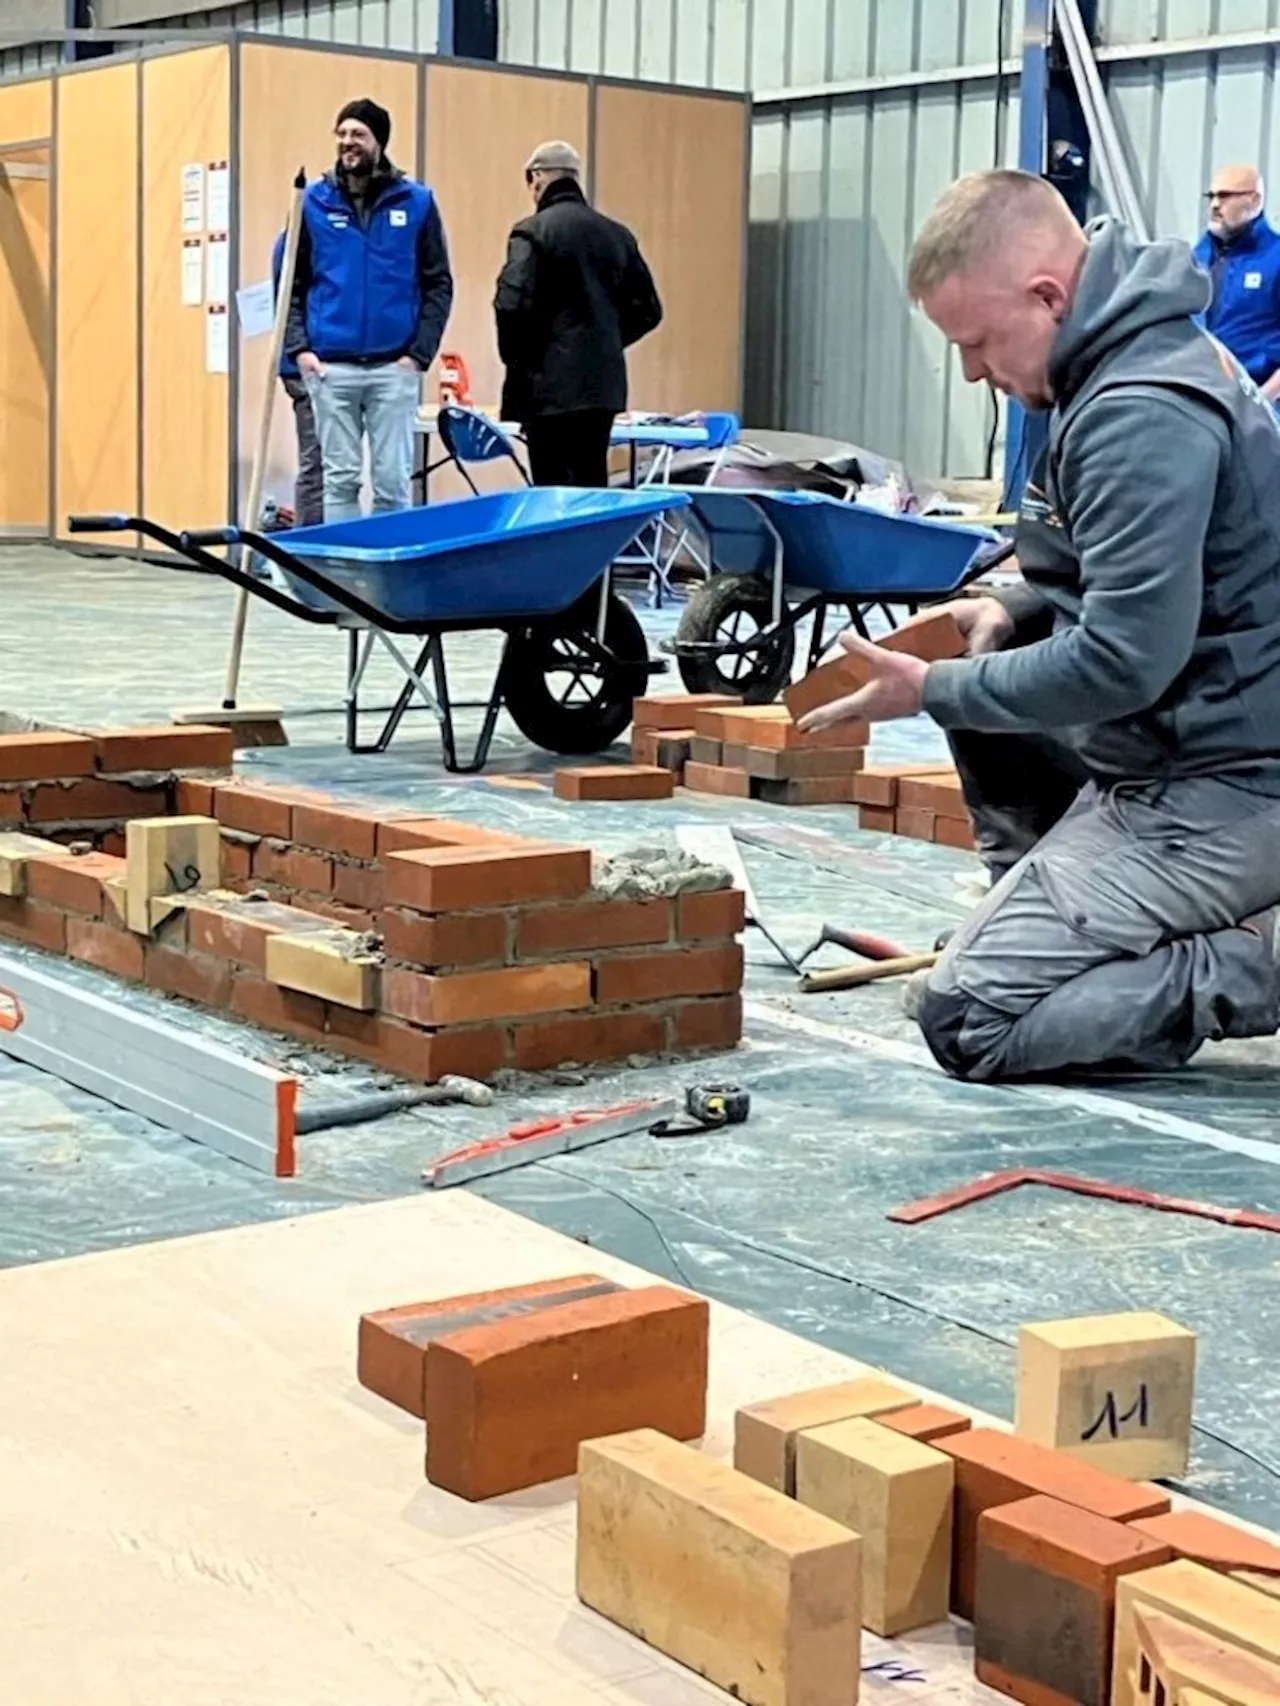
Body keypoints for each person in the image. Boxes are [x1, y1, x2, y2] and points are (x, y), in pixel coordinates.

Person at [799, 168, 1280, 1085]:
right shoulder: (1114, 356)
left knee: (968, 1018)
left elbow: (1126, 658)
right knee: (1000, 646)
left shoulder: (1139, 410)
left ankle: (1254, 963)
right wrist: (1013, 602)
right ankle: (1044, 918)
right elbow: (1144, 570)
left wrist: (928, 690)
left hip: (1225, 783)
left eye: (978, 343)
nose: (975, 371)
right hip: (1183, 747)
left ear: (1050, 294)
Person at [285, 98, 453, 522]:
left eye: (358, 134)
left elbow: (438, 283)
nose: (347, 142)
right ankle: (345, 578)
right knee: (338, 480)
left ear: (379, 141)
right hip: (331, 367)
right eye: (341, 134)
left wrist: (417, 355)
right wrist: (300, 351)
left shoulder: (417, 203)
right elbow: (289, 284)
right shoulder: (312, 202)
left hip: (392, 368)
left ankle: (386, 583)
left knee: (393, 482)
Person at [494, 140, 662, 487]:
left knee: (550, 491)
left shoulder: (532, 231)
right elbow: (649, 310)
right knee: (591, 487)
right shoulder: (617, 235)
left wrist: (523, 361)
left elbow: (510, 304)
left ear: (537, 179)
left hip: (547, 391)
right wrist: (606, 340)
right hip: (602, 388)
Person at [1193, 164, 1280, 402]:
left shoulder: (1276, 257)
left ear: (1254, 200)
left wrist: (1262, 400)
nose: (1214, 205)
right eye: (1211, 196)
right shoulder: (1198, 255)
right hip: (1205, 394)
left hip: (1262, 403)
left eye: (1225, 195)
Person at [271, 229, 323, 528]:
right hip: (304, 365)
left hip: (305, 362)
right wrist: (300, 351)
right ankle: (310, 549)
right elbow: (288, 299)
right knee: (318, 465)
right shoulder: (298, 240)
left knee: (325, 466)